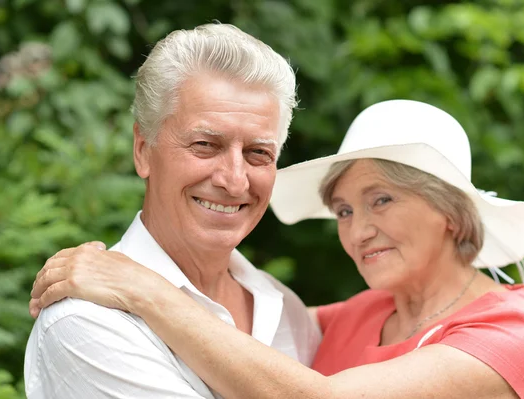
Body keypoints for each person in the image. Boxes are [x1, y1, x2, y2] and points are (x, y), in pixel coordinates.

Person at [31, 100, 524, 398]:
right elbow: (232, 323)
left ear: (450, 211)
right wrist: (97, 293)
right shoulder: (359, 315)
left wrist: (139, 286)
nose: (358, 231)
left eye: (381, 200)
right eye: (345, 210)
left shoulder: (509, 336)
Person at [23, 23, 321, 399]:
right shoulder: (85, 320)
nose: (234, 181)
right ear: (143, 151)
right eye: (205, 145)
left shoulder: (286, 313)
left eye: (257, 153)